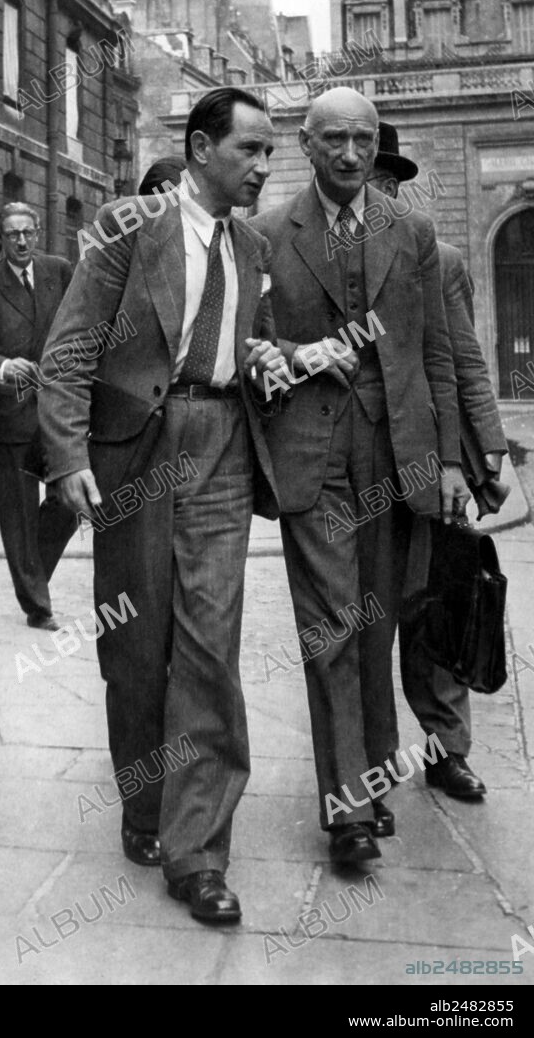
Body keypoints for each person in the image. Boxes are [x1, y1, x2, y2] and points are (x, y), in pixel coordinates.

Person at [39, 87, 284, 923]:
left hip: (223, 444)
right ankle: (144, 804)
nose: (263, 167)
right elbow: (70, 344)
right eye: (250, 150)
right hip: (137, 447)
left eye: (269, 154)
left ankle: (200, 852)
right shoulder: (127, 226)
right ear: (202, 147)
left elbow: (248, 337)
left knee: (210, 647)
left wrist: (269, 359)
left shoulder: (252, 247)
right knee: (138, 646)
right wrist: (66, 455)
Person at [249, 87, 469, 864]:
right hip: (310, 457)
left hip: (395, 453)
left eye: (362, 141)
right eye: (333, 140)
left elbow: (435, 354)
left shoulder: (410, 231)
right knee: (330, 628)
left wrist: (448, 460)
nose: (349, 155)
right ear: (304, 145)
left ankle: (374, 782)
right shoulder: (268, 233)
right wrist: (269, 357)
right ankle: (345, 808)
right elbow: (247, 341)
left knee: (376, 626)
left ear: (377, 147)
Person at [368, 123, 508, 801]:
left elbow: (466, 362)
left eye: (384, 180)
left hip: (433, 464)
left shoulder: (442, 260)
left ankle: (447, 748)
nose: (374, 191)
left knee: (438, 608)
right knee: (366, 617)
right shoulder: (320, 261)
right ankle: (368, 755)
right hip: (357, 471)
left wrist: (488, 459)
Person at [0, 203, 77, 631]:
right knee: (18, 516)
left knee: (67, 502)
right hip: (10, 417)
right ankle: (37, 604)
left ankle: (35, 577)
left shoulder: (59, 271)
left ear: (38, 232)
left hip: (55, 411)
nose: (22, 241)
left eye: (29, 232)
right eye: (12, 234)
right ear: (1, 237)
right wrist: (2, 366)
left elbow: (78, 324)